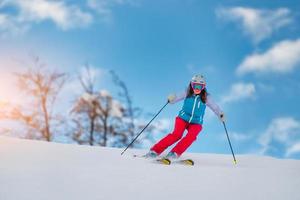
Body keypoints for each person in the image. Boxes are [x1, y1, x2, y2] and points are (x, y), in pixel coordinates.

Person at [145, 74, 225, 159]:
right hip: (182, 118)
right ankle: (154, 151)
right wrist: (171, 99)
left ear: (203, 86)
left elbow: (215, 107)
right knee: (176, 135)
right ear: (191, 84)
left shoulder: (206, 97)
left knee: (191, 136)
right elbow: (177, 97)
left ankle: (174, 153)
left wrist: (220, 114)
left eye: (200, 86)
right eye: (195, 85)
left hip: (196, 122)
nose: (197, 88)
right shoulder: (187, 92)